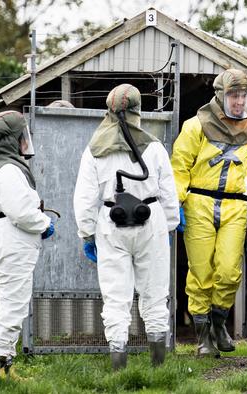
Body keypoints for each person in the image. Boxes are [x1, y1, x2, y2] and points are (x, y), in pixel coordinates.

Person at [73, 84, 179, 369]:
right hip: (150, 219)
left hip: (111, 223)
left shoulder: (95, 150)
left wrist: (86, 233)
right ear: (137, 111)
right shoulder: (154, 146)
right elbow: (169, 192)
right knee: (155, 293)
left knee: (115, 296)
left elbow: (84, 198)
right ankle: (158, 365)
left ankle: (118, 363)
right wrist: (169, 226)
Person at [171, 68, 247, 357]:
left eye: (243, 96)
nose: (239, 102)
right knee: (202, 272)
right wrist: (177, 202)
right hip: (199, 202)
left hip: (235, 204)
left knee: (229, 272)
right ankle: (203, 337)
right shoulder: (196, 126)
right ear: (221, 96)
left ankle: (218, 323)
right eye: (233, 96)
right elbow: (179, 166)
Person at [0, 111, 55, 377]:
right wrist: (44, 224)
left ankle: (1, 363)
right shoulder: (8, 170)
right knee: (13, 304)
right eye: (22, 136)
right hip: (10, 241)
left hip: (3, 239)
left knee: (11, 302)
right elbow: (20, 211)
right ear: (11, 140)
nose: (26, 141)